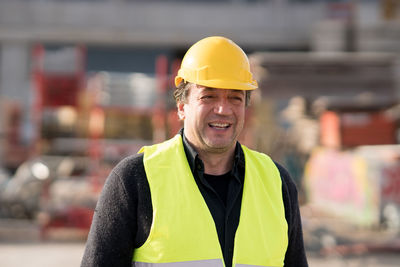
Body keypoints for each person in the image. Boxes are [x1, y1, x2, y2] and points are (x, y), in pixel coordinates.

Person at [81, 36, 308, 267]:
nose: (223, 109)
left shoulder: (277, 183)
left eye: (235, 98)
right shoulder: (135, 180)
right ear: (182, 106)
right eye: (208, 96)